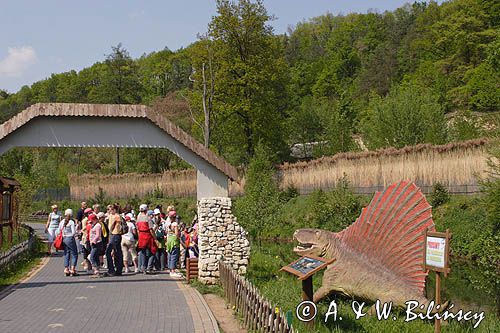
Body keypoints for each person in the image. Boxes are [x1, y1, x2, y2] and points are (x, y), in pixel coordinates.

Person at [136, 205, 156, 274]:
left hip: (141, 235)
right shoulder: (147, 218)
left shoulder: (138, 218)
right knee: (152, 251)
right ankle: (149, 267)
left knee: (142, 252)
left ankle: (143, 267)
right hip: (147, 235)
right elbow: (151, 229)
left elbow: (137, 229)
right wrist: (154, 237)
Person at [104, 204, 123, 276]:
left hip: (115, 234)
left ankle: (111, 270)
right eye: (108, 209)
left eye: (110, 209)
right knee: (117, 252)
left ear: (114, 209)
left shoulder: (117, 216)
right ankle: (118, 269)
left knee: (108, 252)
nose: (109, 211)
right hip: (113, 235)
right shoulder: (111, 216)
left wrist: (111, 229)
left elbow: (115, 226)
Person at [58, 209, 78, 276]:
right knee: (74, 254)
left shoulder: (62, 222)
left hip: (64, 239)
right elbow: (73, 232)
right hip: (70, 238)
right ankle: (72, 269)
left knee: (66, 253)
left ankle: (66, 269)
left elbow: (59, 230)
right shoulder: (71, 222)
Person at [166, 211, 182, 278]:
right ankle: (173, 271)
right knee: (174, 255)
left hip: (169, 239)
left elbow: (166, 232)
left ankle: (170, 269)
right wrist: (179, 236)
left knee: (170, 254)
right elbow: (176, 233)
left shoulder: (168, 223)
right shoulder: (175, 224)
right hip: (174, 240)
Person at [81, 207, 93, 272]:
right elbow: (83, 229)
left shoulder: (89, 219)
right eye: (90, 212)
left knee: (89, 252)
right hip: (86, 237)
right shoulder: (85, 220)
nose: (91, 213)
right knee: (88, 252)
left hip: (89, 237)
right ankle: (88, 266)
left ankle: (88, 266)